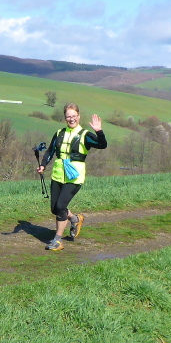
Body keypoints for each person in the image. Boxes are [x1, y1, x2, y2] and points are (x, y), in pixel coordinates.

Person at [36, 102, 107, 251]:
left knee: (61, 206)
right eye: (68, 116)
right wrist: (43, 165)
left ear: (79, 116)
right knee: (55, 209)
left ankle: (57, 240)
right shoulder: (59, 133)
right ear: (65, 118)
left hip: (74, 177)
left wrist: (99, 131)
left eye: (74, 116)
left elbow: (102, 145)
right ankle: (75, 219)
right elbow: (50, 151)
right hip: (58, 175)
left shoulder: (85, 135)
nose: (71, 119)